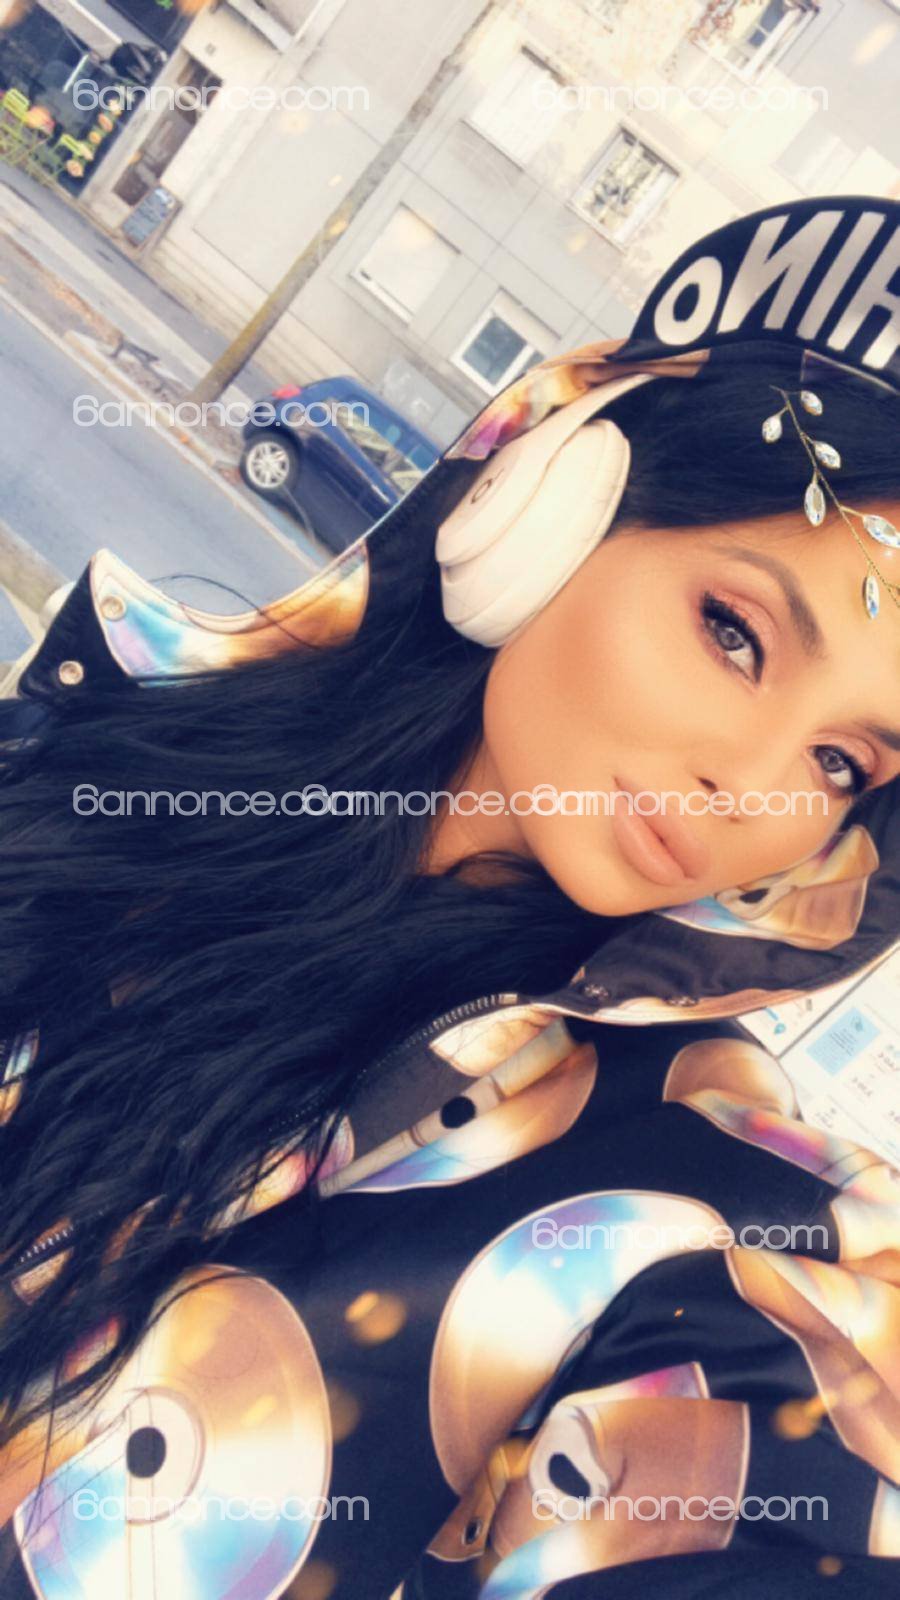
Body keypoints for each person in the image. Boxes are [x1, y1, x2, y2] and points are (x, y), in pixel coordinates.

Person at [0, 198, 898, 1599]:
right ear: (547, 506)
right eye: (735, 632)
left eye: (841, 763)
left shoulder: (692, 1202)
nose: (753, 789)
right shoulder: (98, 763)